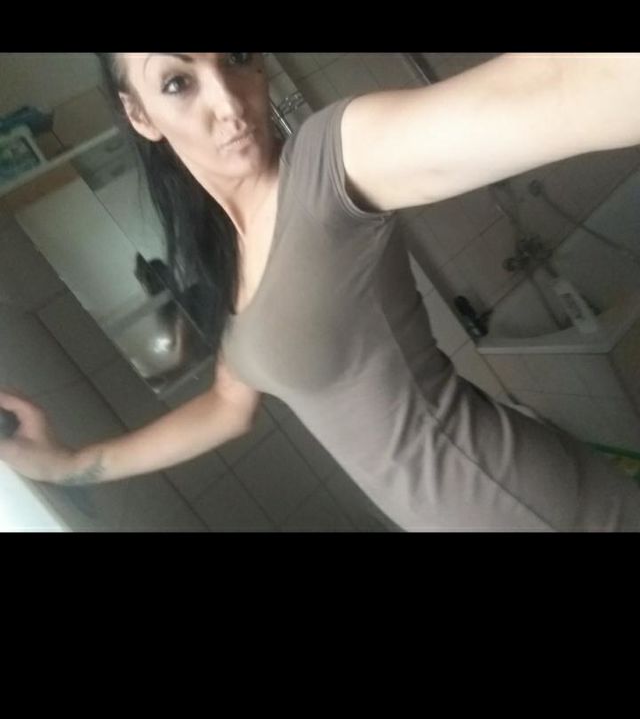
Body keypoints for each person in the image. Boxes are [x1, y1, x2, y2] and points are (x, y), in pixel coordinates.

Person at [1, 52, 640, 531]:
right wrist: (70, 464)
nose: (228, 102)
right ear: (140, 114)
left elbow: (570, 80)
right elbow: (227, 406)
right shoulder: (230, 258)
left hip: (537, 507)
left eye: (237, 57)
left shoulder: (331, 161)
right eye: (178, 81)